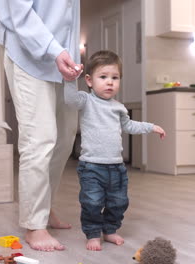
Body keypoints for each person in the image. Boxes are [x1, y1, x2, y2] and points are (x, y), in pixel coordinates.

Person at [0, 0, 83, 251]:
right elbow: (19, 11)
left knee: (65, 137)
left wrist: (69, 54)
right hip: (28, 53)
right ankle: (34, 225)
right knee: (39, 139)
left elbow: (66, 14)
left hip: (63, 58)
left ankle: (45, 207)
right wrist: (54, 50)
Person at [64, 50, 166, 251]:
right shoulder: (86, 100)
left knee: (119, 202)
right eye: (103, 77)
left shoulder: (119, 107)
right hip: (91, 166)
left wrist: (150, 126)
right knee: (92, 202)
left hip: (117, 167)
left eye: (115, 77)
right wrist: (69, 80)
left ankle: (110, 230)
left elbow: (129, 126)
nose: (109, 82)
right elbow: (70, 100)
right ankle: (93, 233)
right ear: (89, 80)